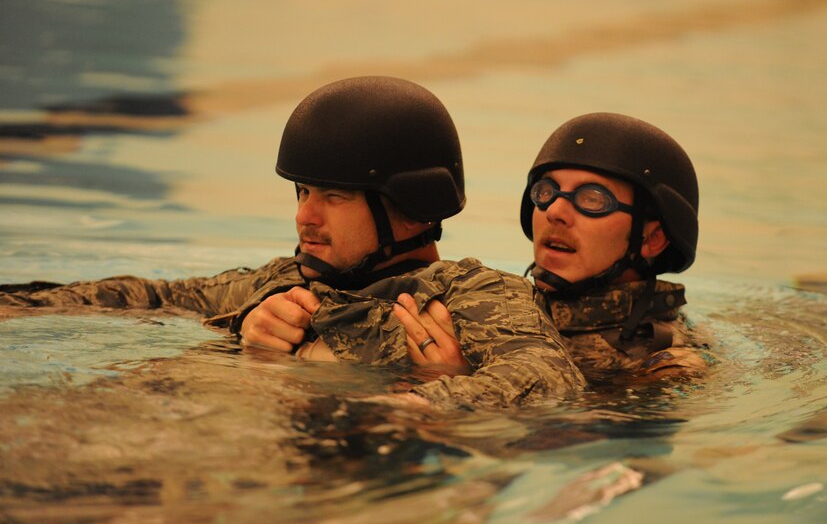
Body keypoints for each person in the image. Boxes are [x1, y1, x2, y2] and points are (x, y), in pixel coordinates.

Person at [0, 76, 584, 407]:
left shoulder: (465, 296)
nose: (306, 218)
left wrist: (420, 400)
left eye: (333, 197)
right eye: (302, 192)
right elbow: (148, 296)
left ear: (407, 209)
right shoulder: (276, 283)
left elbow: (548, 374)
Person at [394, 112, 708, 382]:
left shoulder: (663, 366)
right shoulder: (493, 309)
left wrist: (461, 384)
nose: (554, 211)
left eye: (592, 199)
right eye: (546, 191)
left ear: (652, 239)